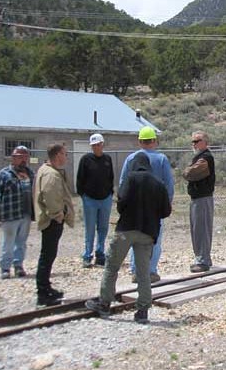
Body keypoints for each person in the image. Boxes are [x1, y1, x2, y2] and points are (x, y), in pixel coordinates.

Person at [85, 152, 171, 324]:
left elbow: (121, 202)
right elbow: (166, 211)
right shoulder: (158, 184)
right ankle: (142, 310)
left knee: (112, 266)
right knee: (143, 273)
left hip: (126, 230)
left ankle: (105, 303)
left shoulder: (130, 179)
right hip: (148, 233)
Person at [119, 126, 173, 283]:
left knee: (135, 238)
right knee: (154, 238)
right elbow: (168, 184)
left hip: (133, 207)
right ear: (154, 141)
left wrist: (123, 203)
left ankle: (136, 270)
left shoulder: (131, 159)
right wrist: (167, 203)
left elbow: (123, 182)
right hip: (155, 207)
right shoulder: (161, 159)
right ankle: (150, 271)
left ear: (140, 141)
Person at [34, 144, 75, 306]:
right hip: (52, 221)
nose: (66, 157)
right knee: (47, 255)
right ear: (57, 155)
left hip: (51, 219)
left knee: (48, 254)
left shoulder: (47, 170)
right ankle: (43, 292)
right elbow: (50, 198)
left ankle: (46, 287)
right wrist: (58, 215)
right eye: (65, 154)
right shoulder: (51, 174)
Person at [0, 146, 34, 279]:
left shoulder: (30, 173)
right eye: (20, 157)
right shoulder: (4, 174)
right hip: (10, 214)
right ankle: (5, 268)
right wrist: (1, 210)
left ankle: (18, 266)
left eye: (25, 157)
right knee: (8, 243)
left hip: (26, 214)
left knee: (21, 242)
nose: (23, 160)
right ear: (13, 158)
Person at [76, 133, 114, 268]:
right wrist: (83, 195)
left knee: (103, 228)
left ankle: (100, 253)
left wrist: (110, 193)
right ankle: (87, 255)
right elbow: (80, 179)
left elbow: (111, 177)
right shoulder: (86, 160)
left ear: (102, 144)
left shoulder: (107, 159)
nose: (96, 147)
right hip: (90, 199)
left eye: (98, 144)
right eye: (94, 145)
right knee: (90, 228)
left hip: (105, 199)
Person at [182, 130, 215, 273]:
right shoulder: (201, 157)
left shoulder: (205, 158)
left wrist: (186, 171)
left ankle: (202, 261)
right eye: (193, 141)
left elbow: (190, 173)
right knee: (198, 229)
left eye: (197, 141)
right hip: (198, 198)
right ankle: (203, 258)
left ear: (205, 142)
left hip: (202, 198)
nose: (194, 144)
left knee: (201, 229)